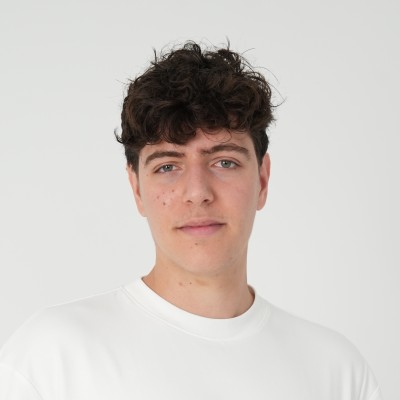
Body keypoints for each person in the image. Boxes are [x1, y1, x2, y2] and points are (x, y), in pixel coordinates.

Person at [0, 41, 382, 400]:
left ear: (262, 180)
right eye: (167, 166)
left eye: (224, 162)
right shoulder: (52, 359)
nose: (197, 192)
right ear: (137, 189)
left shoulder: (336, 372)